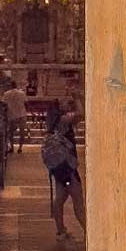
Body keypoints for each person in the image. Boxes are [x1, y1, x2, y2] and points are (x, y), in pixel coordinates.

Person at [42, 99, 85, 241]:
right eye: (63, 103)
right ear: (59, 107)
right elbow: (81, 114)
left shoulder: (52, 123)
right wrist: (77, 98)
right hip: (69, 168)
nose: (67, 103)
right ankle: (88, 232)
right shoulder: (64, 120)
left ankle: (60, 230)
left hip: (59, 169)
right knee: (78, 200)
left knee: (60, 198)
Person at [2, 78, 28, 154]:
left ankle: (12, 147)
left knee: (11, 133)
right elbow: (26, 103)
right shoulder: (22, 93)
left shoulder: (6, 94)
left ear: (10, 86)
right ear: (16, 85)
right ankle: (20, 148)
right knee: (22, 132)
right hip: (21, 114)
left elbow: (4, 105)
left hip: (11, 115)